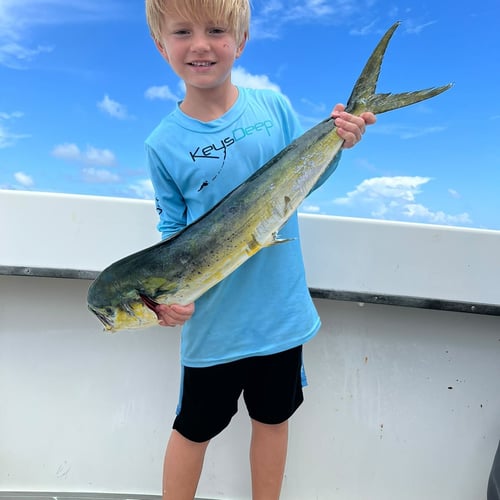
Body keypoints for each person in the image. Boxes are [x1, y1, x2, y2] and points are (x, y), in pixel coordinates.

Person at [144, 0, 376, 498]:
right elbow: (172, 228)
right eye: (183, 31)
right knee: (193, 430)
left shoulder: (273, 108)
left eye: (216, 30)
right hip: (214, 326)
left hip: (279, 315)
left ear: (240, 41)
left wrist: (341, 141)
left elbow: (303, 182)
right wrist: (164, 296)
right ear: (160, 44)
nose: (201, 44)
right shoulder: (162, 143)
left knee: (273, 421)